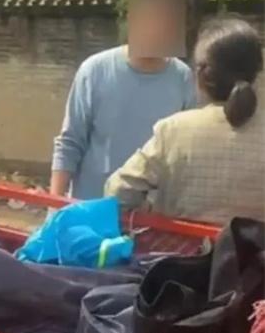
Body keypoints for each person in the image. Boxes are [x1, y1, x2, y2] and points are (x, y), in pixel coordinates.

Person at [105, 18, 264, 225]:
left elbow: (117, 192)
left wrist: (148, 211)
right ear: (255, 74)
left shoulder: (173, 131)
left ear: (201, 76)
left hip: (180, 246)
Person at [50, 0, 196, 200]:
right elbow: (70, 143)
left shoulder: (183, 79)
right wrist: (54, 205)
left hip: (152, 214)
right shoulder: (95, 70)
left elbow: (184, 152)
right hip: (93, 206)